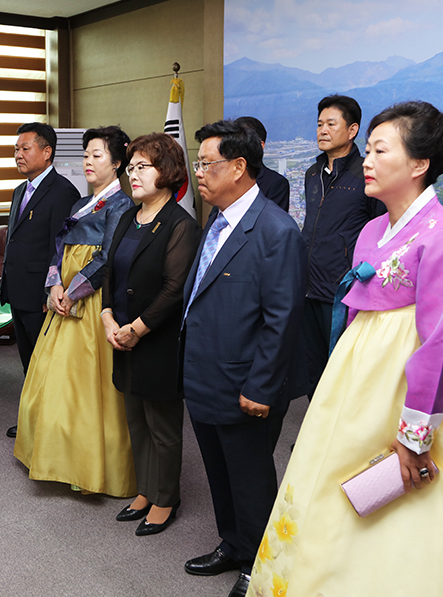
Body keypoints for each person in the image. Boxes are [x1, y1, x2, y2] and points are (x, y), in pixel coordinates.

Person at [248, 102, 443, 596]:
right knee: (340, 488)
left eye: (381, 150)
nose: (367, 160)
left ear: (419, 164)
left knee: (416, 511)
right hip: (360, 384)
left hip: (418, 392)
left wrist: (414, 433)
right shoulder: (372, 229)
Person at [181, 120, 304, 597]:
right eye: (198, 163)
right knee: (218, 470)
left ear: (238, 166)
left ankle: (261, 564)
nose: (200, 173)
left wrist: (260, 387)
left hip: (243, 384)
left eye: (207, 164)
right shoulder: (218, 219)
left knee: (251, 478)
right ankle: (232, 544)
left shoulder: (275, 230)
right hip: (204, 374)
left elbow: (282, 320)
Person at [13, 126, 137, 497]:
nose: (88, 162)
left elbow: (107, 258)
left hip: (91, 302)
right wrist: (54, 285)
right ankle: (53, 454)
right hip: (63, 299)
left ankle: (85, 465)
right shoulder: (79, 203)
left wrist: (74, 290)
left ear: (116, 163)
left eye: (97, 156)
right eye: (85, 155)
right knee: (53, 381)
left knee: (86, 387)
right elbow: (58, 249)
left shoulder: (121, 205)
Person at [101, 133, 198, 536]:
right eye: (131, 167)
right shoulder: (128, 216)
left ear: (168, 172)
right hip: (120, 335)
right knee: (135, 419)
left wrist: (137, 329)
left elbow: (175, 289)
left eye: (142, 166)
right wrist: (107, 317)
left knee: (162, 426)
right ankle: (144, 490)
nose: (132, 174)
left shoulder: (181, 224)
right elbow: (110, 270)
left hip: (156, 339)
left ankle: (165, 498)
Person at [299, 95, 385, 399]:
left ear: (352, 130)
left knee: (343, 374)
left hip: (343, 292)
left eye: (330, 124)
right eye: (319, 124)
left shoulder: (366, 174)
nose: (322, 130)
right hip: (307, 287)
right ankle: (315, 440)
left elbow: (380, 233)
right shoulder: (312, 173)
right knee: (313, 370)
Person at [0, 122, 79, 438]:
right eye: (16, 150)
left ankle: (48, 428)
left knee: (45, 363)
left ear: (47, 152)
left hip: (41, 295)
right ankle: (33, 420)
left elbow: (59, 249)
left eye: (25, 148)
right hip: (17, 290)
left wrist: (51, 291)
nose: (18, 155)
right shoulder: (21, 190)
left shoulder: (63, 192)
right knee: (28, 362)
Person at [234, 116, 290, 211]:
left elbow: (273, 222)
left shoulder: (276, 184)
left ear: (260, 145)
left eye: (242, 141)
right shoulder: (226, 179)